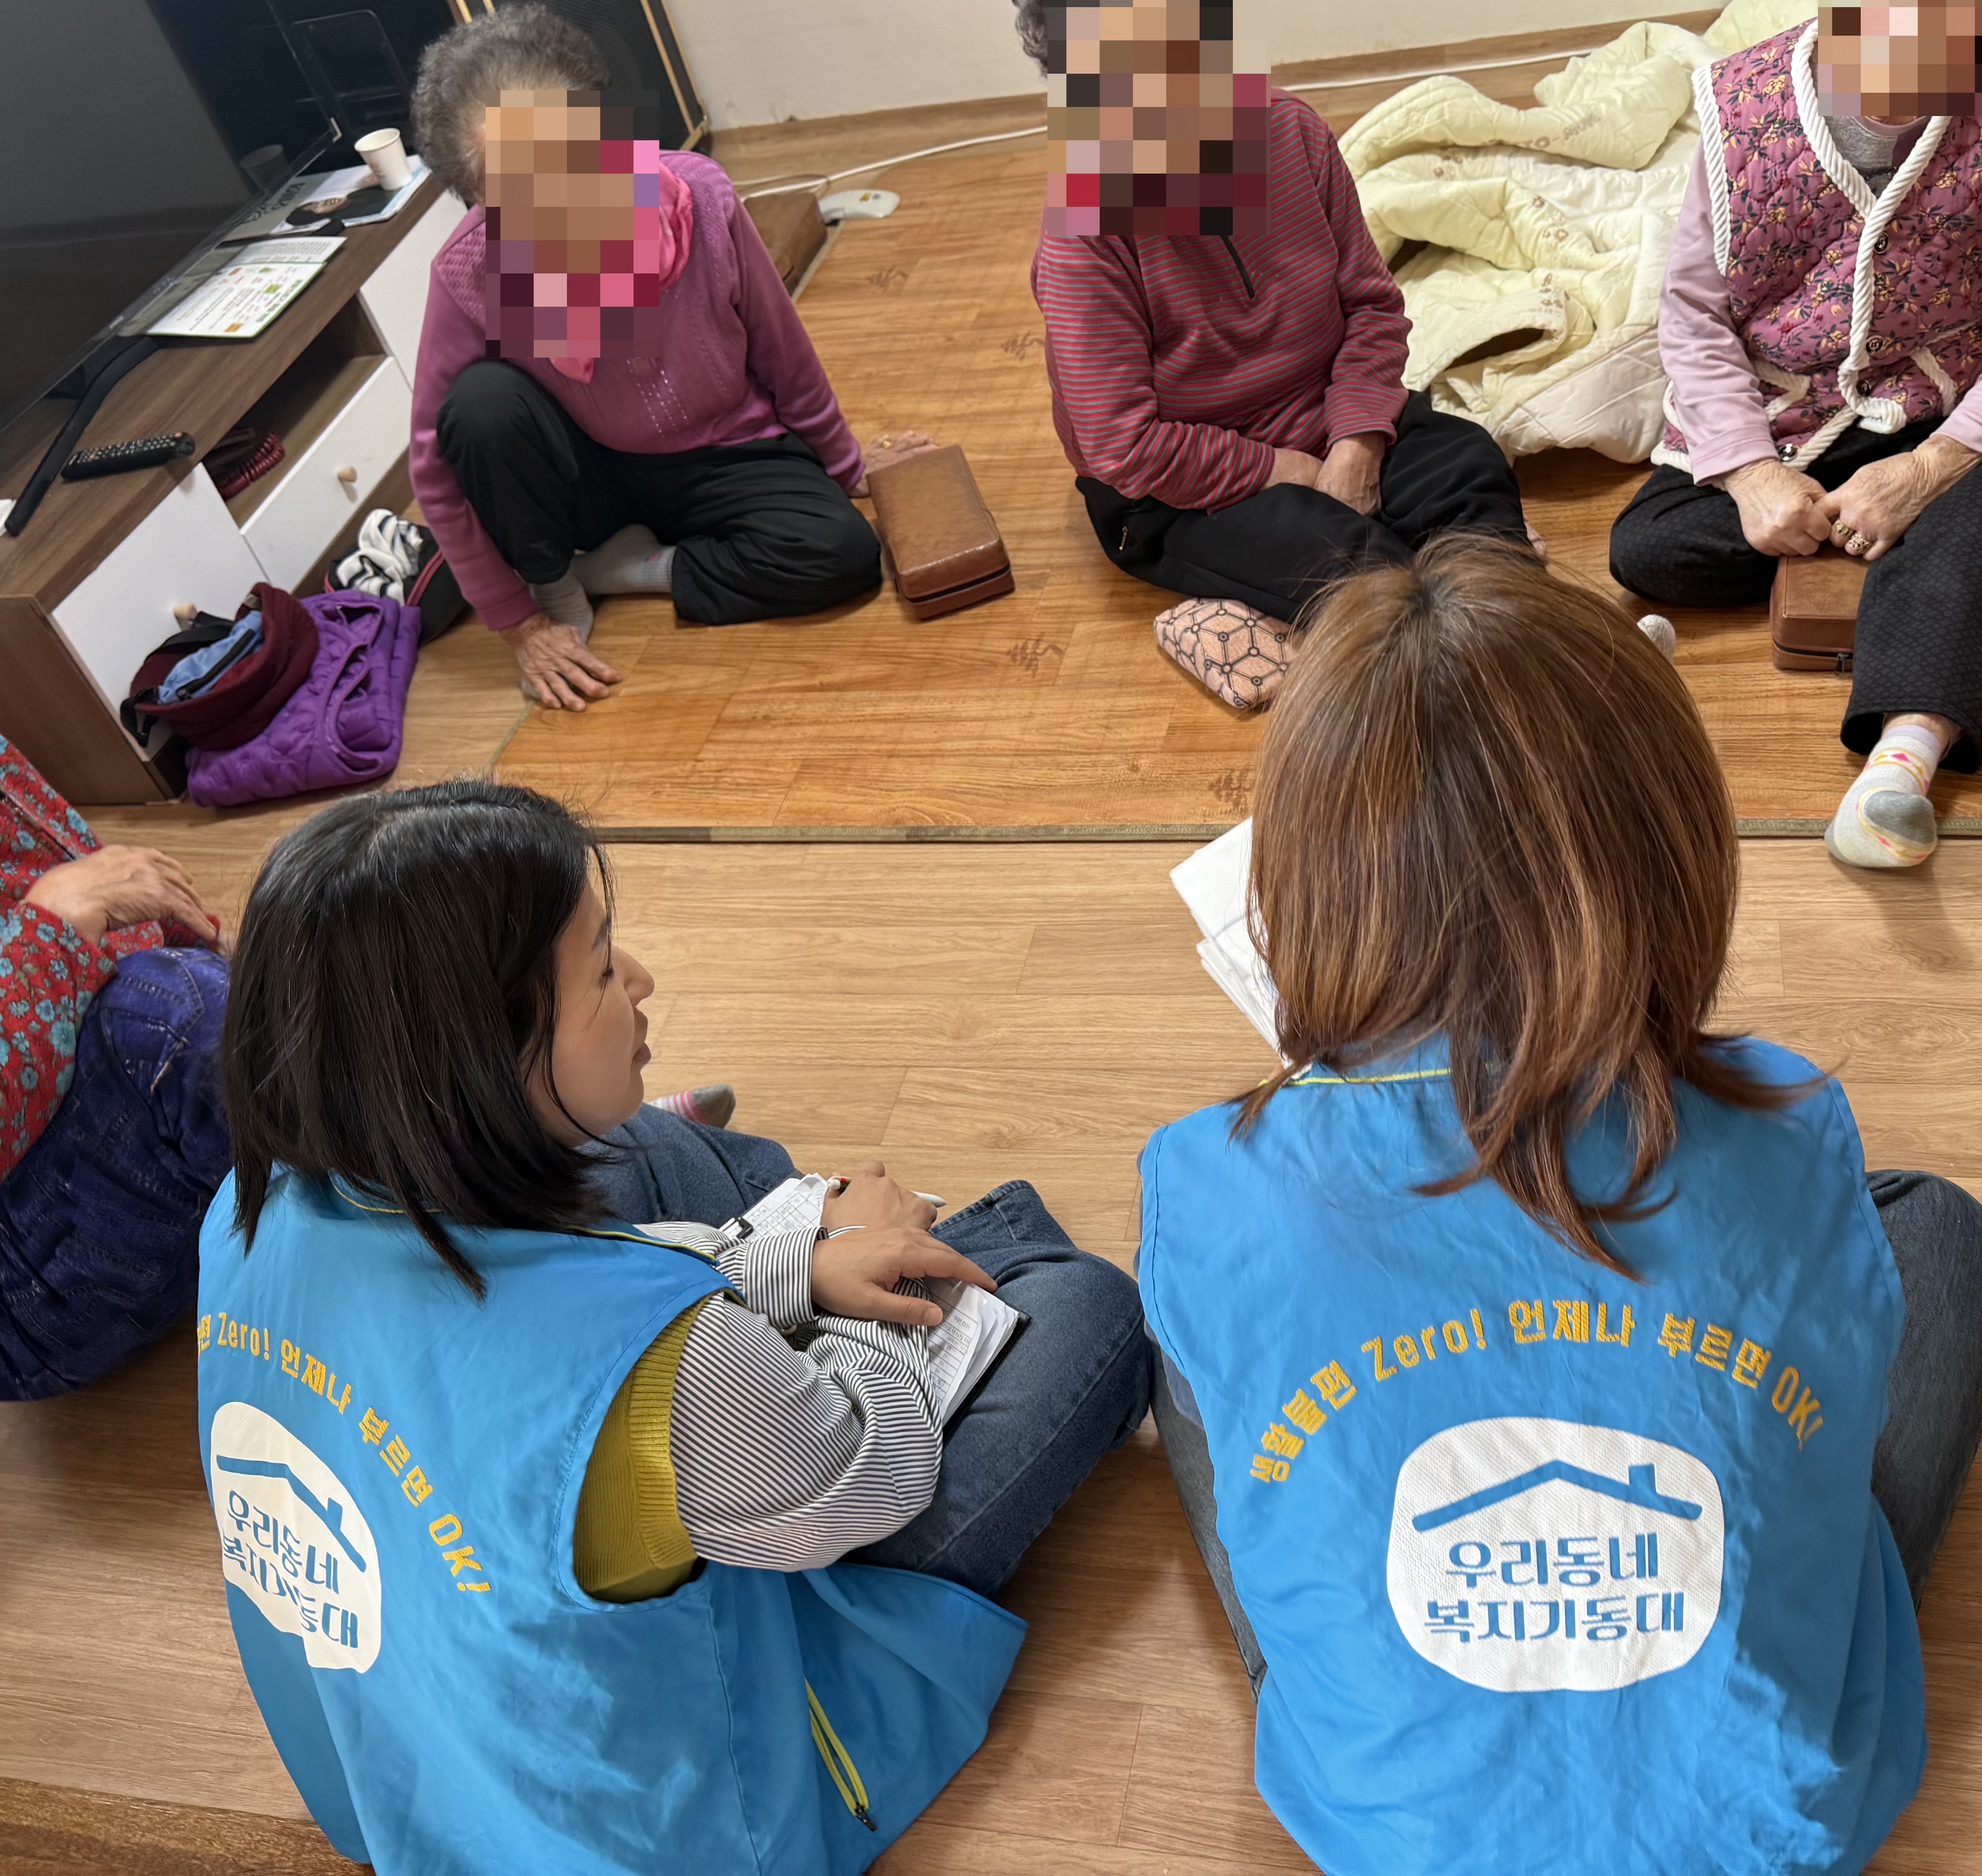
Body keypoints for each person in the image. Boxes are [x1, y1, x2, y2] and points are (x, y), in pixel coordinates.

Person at [1142, 539, 1982, 1873]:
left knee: (1197, 1316)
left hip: (1388, 1829)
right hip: (1767, 1828)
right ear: (1672, 852)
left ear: (1300, 880)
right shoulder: (1790, 1120)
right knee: (1939, 1233)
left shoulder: (1206, 1170)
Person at [199, 781, 1152, 1870]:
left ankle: (810, 1213)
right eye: (603, 970)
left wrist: (793, 1264)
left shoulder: (243, 1212)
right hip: (687, 1799)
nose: (642, 977)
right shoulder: (660, 1362)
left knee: (634, 1146)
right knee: (1086, 1307)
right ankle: (929, 1232)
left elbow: (563, 1303)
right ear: (486, 1057)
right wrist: (861, 1272)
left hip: (407, 1775)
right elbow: (871, 1470)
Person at [1611, 0, 1982, 870]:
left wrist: (1926, 473)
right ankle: (1912, 580)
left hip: (1946, 409)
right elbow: (1693, 316)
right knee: (1647, 550)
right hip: (1788, 415)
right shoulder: (1741, 101)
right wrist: (1750, 474)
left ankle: (1900, 762)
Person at [1017, 0, 1531, 708]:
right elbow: (1123, 445)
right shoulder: (1084, 230)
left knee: (1468, 469)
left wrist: (1357, 440)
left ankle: (1514, 652)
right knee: (1361, 575)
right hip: (1184, 487)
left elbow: (1372, 308)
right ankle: (1488, 695)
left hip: (1329, 419)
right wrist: (1285, 471)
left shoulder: (1291, 133)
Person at [405, 6, 928, 710]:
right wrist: (518, 622)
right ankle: (557, 583)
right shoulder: (469, 271)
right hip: (591, 475)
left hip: (727, 450)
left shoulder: (700, 197)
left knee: (843, 554)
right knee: (481, 404)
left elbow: (783, 350)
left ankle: (629, 569)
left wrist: (847, 465)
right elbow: (435, 465)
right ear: (481, 202)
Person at [1, 735, 228, 1400]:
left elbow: (63, 871)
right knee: (181, 1025)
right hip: (23, 1301)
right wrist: (57, 919)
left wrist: (203, 940)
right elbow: (67, 899)